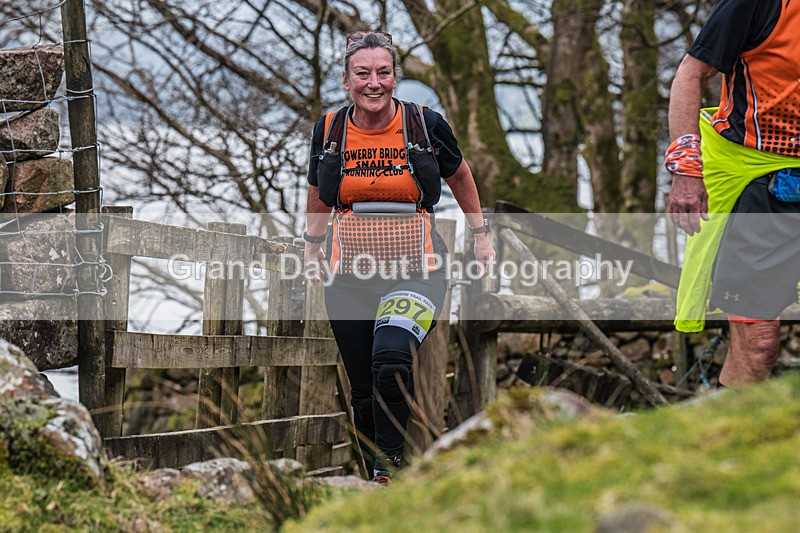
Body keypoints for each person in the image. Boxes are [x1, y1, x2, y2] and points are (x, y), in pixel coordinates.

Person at [302, 31, 495, 483]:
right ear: (346, 80)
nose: (374, 83)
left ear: (395, 77)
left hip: (417, 270)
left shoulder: (424, 124)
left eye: (383, 73)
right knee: (364, 389)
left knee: (390, 359)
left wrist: (481, 235)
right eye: (363, 73)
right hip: (347, 276)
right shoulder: (329, 130)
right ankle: (375, 469)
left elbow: (460, 177)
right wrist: (311, 247)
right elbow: (317, 191)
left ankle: (388, 472)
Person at [667, 0, 800, 388]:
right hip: (757, 183)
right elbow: (690, 75)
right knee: (759, 346)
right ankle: (724, 444)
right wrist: (687, 168)